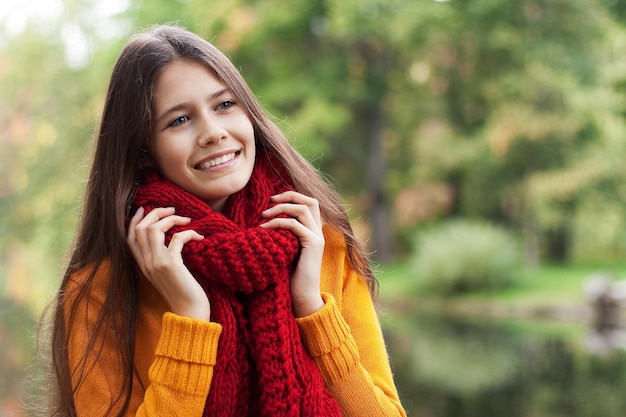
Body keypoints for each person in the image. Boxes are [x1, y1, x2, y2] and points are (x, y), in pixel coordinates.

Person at [45, 24, 406, 417]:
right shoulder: (101, 290)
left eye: (224, 105)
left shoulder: (321, 244)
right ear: (142, 151)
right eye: (179, 120)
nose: (213, 133)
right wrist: (188, 317)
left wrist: (311, 308)